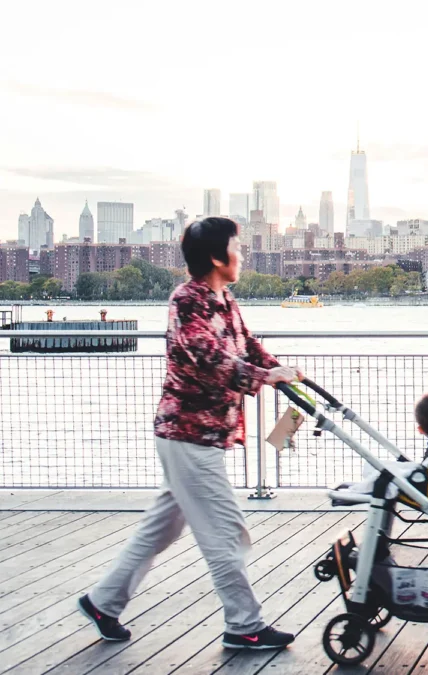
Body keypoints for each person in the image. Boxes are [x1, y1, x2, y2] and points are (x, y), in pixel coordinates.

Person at [79, 217, 302, 650]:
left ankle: (103, 601)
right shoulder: (187, 301)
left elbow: (246, 344)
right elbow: (208, 358)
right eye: (237, 248)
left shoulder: (224, 298)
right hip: (187, 434)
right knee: (226, 530)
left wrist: (281, 370)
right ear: (218, 257)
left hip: (198, 435)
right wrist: (266, 377)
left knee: (161, 528)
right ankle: (244, 624)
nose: (242, 255)